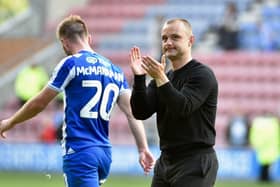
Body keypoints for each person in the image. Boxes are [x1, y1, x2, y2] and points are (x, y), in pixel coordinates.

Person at [0, 15, 155, 187]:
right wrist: (143, 148)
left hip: (80, 150)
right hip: (104, 153)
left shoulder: (70, 64)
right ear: (89, 38)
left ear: (64, 43)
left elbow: (39, 103)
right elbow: (132, 113)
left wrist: (11, 122)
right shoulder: (115, 71)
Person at [129, 18, 219, 187]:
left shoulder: (202, 75)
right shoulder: (163, 77)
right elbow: (140, 112)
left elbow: (182, 107)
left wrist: (160, 78)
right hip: (166, 161)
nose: (168, 43)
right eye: (164, 38)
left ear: (190, 41)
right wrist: (140, 78)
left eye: (175, 37)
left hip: (195, 160)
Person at [249, 113, 280, 182]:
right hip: (271, 147)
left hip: (262, 146)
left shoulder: (258, 124)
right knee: (268, 164)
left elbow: (254, 134)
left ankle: (263, 177)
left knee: (264, 164)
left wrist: (254, 142)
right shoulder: (274, 124)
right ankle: (265, 177)